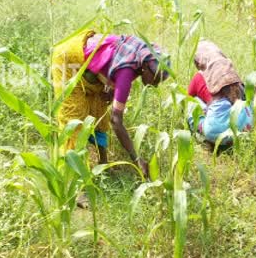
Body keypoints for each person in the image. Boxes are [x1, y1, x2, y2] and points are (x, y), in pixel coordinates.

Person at [52, 30, 170, 176]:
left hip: (91, 68)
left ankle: (103, 164)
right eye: (155, 79)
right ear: (145, 68)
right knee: (73, 119)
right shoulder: (127, 70)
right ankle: (71, 178)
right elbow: (116, 121)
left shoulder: (139, 58)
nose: (156, 85)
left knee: (99, 109)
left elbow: (113, 64)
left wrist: (112, 88)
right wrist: (136, 159)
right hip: (68, 59)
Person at [186, 40, 253, 147]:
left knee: (192, 102)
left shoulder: (199, 76)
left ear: (199, 63)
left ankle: (205, 137)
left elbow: (187, 98)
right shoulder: (232, 76)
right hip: (243, 130)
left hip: (215, 134)